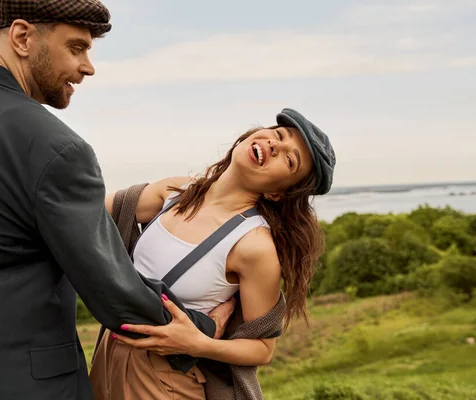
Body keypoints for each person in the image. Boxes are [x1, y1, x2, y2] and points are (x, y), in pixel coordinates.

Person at [0, 1, 231, 399]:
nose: (88, 67)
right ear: (22, 37)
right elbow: (116, 295)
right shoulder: (58, 149)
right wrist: (202, 329)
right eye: (76, 48)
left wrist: (120, 202)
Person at [89, 108, 336, 399]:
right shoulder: (175, 192)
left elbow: (262, 349)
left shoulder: (253, 245)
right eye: (280, 134)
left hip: (163, 381)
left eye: (289, 159)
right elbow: (84, 209)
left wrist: (196, 343)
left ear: (278, 193)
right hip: (107, 356)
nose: (275, 144)